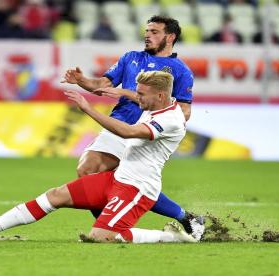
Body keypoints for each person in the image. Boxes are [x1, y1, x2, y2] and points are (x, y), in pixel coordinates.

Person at [0, 71, 200, 243]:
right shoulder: (160, 101)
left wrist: (88, 108)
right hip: (117, 178)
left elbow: (128, 131)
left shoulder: (171, 120)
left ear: (159, 96)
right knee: (55, 195)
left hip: (137, 188)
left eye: (142, 95)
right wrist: (122, 92)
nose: (138, 98)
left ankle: (173, 237)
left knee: (102, 238)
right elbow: (140, 97)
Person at [61, 15, 203, 236]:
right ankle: (111, 229)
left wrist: (131, 96)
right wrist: (82, 80)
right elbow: (102, 85)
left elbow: (184, 112)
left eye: (154, 32)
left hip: (144, 134)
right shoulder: (130, 58)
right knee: (86, 170)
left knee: (136, 183)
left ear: (170, 37)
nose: (147, 35)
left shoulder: (180, 70)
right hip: (118, 124)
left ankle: (185, 217)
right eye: (147, 31)